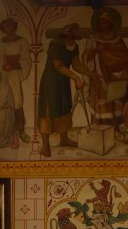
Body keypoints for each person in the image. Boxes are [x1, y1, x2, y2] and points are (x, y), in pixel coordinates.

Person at [37, 23, 89, 158]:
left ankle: (64, 139)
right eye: (76, 30)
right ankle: (46, 147)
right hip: (51, 81)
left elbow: (76, 65)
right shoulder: (56, 44)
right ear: (69, 32)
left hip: (63, 81)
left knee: (64, 108)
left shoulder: (74, 46)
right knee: (48, 111)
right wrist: (75, 78)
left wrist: (91, 74)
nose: (79, 31)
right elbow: (58, 65)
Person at [83, 7, 128, 127]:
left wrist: (118, 71)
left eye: (105, 22)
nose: (103, 24)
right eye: (101, 22)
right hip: (99, 76)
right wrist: (96, 50)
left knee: (115, 102)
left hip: (116, 76)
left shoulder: (117, 39)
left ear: (111, 24)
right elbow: (86, 58)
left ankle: (116, 128)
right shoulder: (93, 38)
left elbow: (125, 57)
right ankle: (100, 128)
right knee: (101, 103)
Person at [0, 17, 32, 144]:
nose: (8, 28)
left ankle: (21, 131)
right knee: (3, 102)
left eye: (10, 25)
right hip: (2, 76)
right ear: (2, 29)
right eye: (5, 26)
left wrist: (13, 66)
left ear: (14, 26)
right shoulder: (0, 43)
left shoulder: (22, 42)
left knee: (16, 102)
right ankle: (6, 133)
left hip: (14, 76)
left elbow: (26, 60)